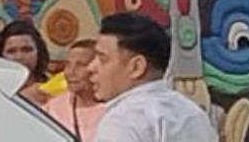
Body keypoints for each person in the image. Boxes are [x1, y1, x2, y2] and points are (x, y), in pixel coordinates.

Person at [89, 12, 216, 142]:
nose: (91, 67)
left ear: (137, 67)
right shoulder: (194, 114)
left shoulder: (122, 121)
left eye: (102, 59)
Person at [44, 38, 105, 141]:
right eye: (67, 64)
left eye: (80, 65)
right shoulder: (53, 108)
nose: (70, 72)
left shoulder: (116, 110)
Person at [0, 19, 52, 106]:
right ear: (1, 56)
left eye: (26, 50)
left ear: (39, 52)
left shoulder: (54, 86)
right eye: (11, 51)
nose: (19, 57)